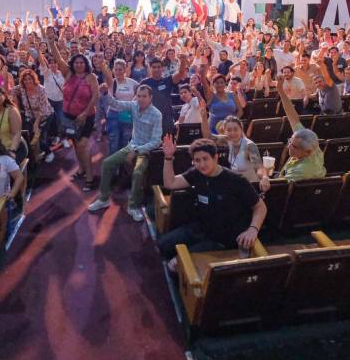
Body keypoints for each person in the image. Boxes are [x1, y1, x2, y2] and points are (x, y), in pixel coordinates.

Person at [157, 137, 267, 269]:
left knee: (177, 266)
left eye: (205, 159)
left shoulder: (236, 181)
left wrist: (253, 230)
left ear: (215, 158)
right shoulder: (196, 173)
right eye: (197, 160)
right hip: (200, 228)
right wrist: (168, 157)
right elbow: (170, 183)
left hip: (222, 238)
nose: (202, 164)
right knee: (162, 246)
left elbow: (260, 207)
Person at [88, 84, 163, 221]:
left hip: (146, 150)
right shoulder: (134, 105)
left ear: (150, 97)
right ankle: (104, 199)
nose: (141, 99)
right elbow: (116, 104)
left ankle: (133, 206)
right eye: (139, 96)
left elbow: (156, 141)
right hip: (132, 146)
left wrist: (137, 150)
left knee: (138, 172)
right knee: (107, 163)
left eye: (144, 96)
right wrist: (105, 93)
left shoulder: (156, 114)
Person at [48, 28, 100, 189]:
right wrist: (51, 42)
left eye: (81, 62)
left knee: (83, 145)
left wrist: (85, 113)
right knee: (76, 145)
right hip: (69, 116)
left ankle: (90, 178)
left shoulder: (91, 77)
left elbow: (95, 96)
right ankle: (82, 169)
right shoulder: (68, 74)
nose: (79, 64)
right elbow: (57, 58)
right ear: (73, 64)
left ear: (86, 64)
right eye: (76, 62)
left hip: (86, 117)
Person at [197, 98, 269, 188]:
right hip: (237, 186)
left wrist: (264, 177)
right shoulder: (227, 140)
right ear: (224, 132)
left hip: (251, 187)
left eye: (235, 129)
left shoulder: (249, 145)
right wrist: (204, 117)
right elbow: (208, 137)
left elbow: (259, 166)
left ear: (241, 130)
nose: (233, 133)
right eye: (229, 130)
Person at [275, 76, 326, 180]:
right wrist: (281, 90)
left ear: (308, 152)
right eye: (290, 142)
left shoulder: (301, 171)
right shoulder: (310, 144)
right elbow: (292, 116)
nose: (289, 146)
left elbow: (278, 186)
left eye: (294, 146)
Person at [140, 56, 188, 136]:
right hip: (150, 119)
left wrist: (183, 60)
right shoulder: (145, 83)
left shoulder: (167, 80)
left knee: (168, 142)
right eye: (154, 67)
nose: (156, 69)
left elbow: (181, 73)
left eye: (159, 67)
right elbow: (138, 100)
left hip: (166, 120)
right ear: (150, 68)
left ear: (162, 68)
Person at [103, 59, 139, 154]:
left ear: (125, 70)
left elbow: (141, 92)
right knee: (113, 141)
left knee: (125, 140)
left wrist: (133, 101)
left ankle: (122, 161)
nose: (118, 72)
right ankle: (113, 161)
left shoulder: (132, 83)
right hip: (113, 114)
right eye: (116, 69)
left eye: (120, 69)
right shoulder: (111, 82)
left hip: (127, 114)